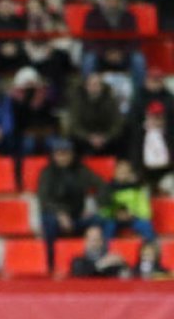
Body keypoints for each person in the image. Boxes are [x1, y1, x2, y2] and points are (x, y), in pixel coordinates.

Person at [38, 138, 105, 272]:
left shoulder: (81, 170)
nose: (63, 157)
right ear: (54, 155)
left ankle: (102, 259)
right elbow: (44, 201)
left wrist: (96, 205)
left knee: (101, 220)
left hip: (77, 217)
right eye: (59, 154)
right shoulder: (47, 173)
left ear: (72, 155)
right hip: (56, 217)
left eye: (66, 153)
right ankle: (50, 262)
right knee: (48, 222)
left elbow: (102, 186)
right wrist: (60, 214)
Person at [81, 0, 146, 91]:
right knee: (89, 59)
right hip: (101, 56)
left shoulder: (129, 17)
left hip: (123, 56)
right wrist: (105, 53)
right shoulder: (92, 16)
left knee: (138, 59)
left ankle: (139, 95)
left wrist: (121, 53)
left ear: (120, 1)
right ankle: (87, 92)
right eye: (109, 0)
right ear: (104, 1)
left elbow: (134, 41)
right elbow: (88, 41)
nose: (112, 3)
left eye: (115, 0)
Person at [96, 160, 156, 242]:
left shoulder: (137, 188)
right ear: (115, 172)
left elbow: (146, 212)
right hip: (114, 219)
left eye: (125, 172)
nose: (122, 174)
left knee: (146, 225)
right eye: (120, 171)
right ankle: (106, 251)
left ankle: (152, 249)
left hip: (133, 218)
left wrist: (132, 214)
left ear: (130, 174)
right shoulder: (108, 188)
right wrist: (115, 213)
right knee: (108, 226)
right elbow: (103, 210)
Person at [69, 72, 124, 157]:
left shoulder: (110, 100)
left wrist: (106, 137)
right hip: (85, 138)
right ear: (86, 86)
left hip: (107, 138)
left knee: (122, 134)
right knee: (72, 138)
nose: (94, 87)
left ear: (102, 87)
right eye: (91, 84)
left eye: (97, 84)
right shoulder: (78, 101)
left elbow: (117, 123)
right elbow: (75, 125)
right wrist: (89, 137)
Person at [10, 67, 60, 157]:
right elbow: (17, 121)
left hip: (45, 130)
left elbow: (51, 117)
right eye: (27, 84)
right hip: (25, 132)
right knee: (28, 144)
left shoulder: (46, 96)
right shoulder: (15, 100)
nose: (30, 86)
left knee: (53, 143)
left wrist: (44, 131)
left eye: (32, 83)